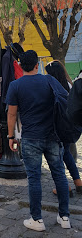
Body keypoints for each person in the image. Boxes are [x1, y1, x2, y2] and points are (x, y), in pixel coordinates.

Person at [6, 50, 71, 231]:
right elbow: (65, 99)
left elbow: (11, 113)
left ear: (20, 66)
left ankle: (37, 219)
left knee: (34, 178)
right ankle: (64, 217)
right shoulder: (49, 80)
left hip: (31, 138)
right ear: (37, 65)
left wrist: (11, 136)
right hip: (52, 135)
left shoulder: (15, 85)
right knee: (59, 175)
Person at [45, 61, 82, 195]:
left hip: (56, 128)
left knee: (56, 157)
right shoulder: (69, 85)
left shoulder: (51, 88)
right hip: (70, 127)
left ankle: (64, 187)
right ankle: (78, 182)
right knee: (67, 154)